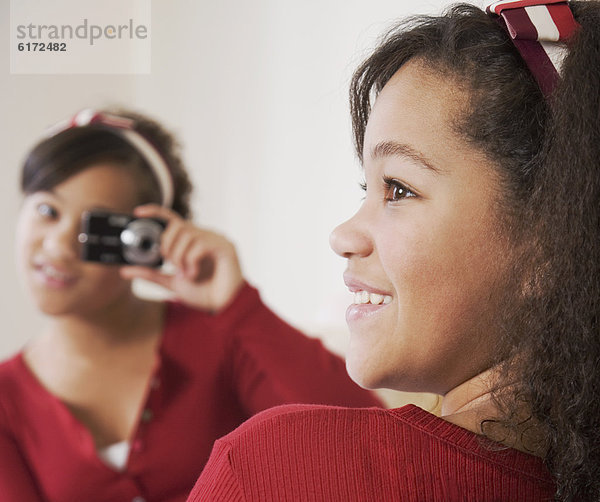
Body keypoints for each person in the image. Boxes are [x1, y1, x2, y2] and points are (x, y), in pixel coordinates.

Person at [188, 1, 600, 500]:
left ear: (551, 241)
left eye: (398, 189)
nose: (343, 235)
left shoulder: (276, 467)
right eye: (367, 188)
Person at [0, 108, 382, 502]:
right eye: (47, 211)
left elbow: (363, 434)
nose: (59, 245)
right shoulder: (5, 401)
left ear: (148, 236)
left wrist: (238, 306)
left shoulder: (218, 337)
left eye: (95, 228)